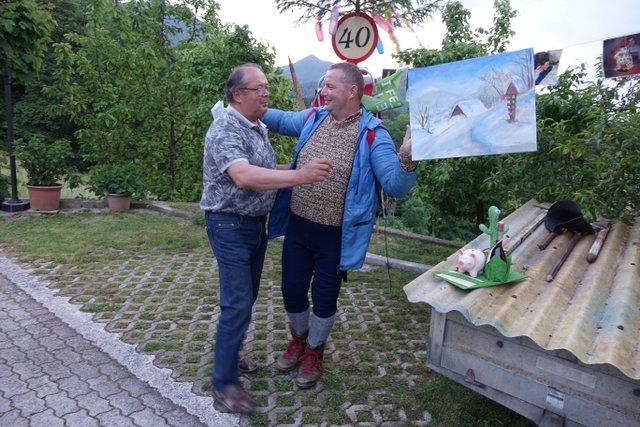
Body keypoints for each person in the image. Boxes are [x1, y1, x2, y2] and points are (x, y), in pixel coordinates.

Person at [262, 62, 418, 389]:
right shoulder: (314, 117)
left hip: (336, 237)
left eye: (330, 86)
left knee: (324, 297)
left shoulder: (373, 134)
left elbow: (395, 185)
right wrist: (249, 106)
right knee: (291, 289)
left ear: (352, 91)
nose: (322, 91)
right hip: (299, 227)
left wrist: (407, 157)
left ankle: (315, 351)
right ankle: (298, 339)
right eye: (323, 85)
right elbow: (280, 119)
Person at [200, 63, 331, 413]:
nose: (266, 93)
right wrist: (301, 177)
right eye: (258, 88)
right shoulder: (225, 127)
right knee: (238, 303)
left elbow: (265, 170)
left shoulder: (255, 126)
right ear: (237, 95)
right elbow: (243, 175)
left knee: (245, 299)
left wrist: (300, 170)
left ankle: (230, 357)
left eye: (267, 88)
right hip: (228, 225)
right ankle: (224, 384)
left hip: (253, 225)